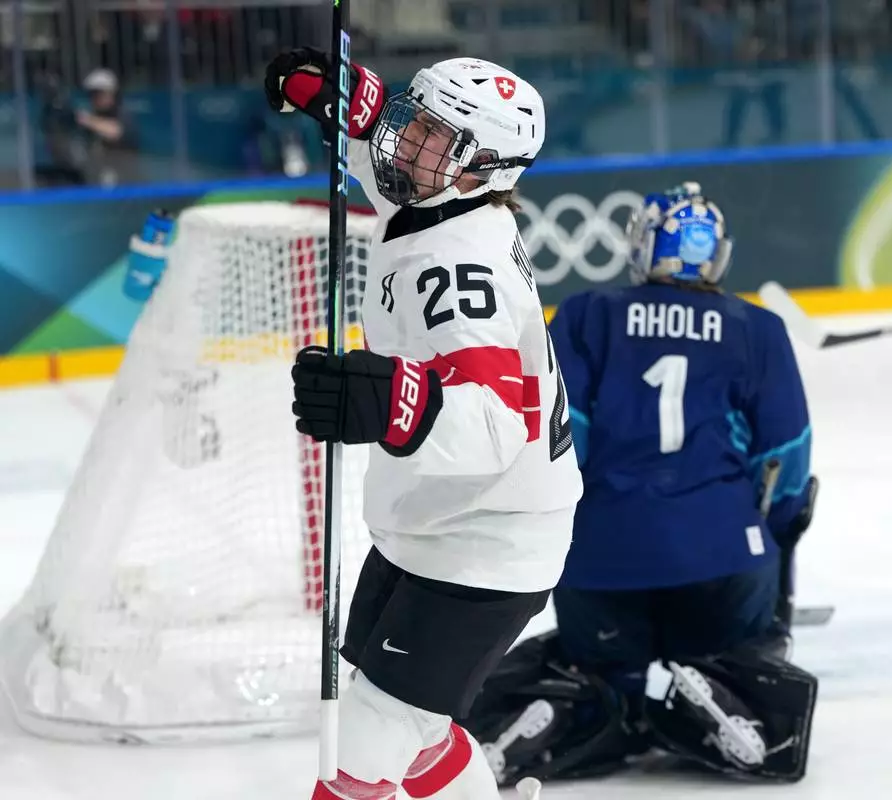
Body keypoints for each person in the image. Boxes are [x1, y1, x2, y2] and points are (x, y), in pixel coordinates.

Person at [263, 48, 583, 800]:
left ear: (483, 169)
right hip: (436, 522)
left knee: (362, 747)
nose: (406, 143)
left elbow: (499, 422)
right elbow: (384, 153)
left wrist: (397, 398)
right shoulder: (440, 197)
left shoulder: (459, 269)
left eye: (434, 138)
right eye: (414, 121)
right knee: (418, 739)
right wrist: (344, 101)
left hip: (487, 543)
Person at [462, 183, 819, 786]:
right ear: (715, 255)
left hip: (602, 558)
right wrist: (775, 533)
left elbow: (558, 437)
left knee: (597, 666)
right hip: (722, 555)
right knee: (741, 649)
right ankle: (716, 685)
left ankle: (590, 704)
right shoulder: (757, 329)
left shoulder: (584, 315)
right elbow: (785, 457)